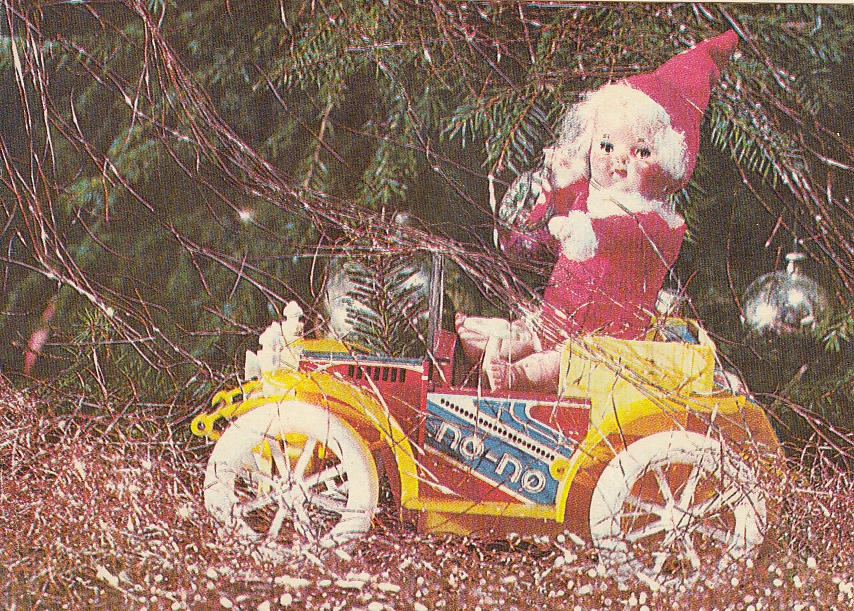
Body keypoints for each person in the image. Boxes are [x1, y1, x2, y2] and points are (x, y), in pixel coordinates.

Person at [457, 30, 739, 392]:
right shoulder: (595, 196)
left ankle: (517, 376)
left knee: (561, 361)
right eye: (606, 145)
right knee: (535, 334)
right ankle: (485, 349)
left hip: (606, 334)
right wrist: (562, 182)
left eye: (641, 152)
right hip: (561, 312)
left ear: (669, 164)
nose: (618, 159)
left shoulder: (659, 222)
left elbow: (621, 234)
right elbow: (555, 219)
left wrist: (587, 232)